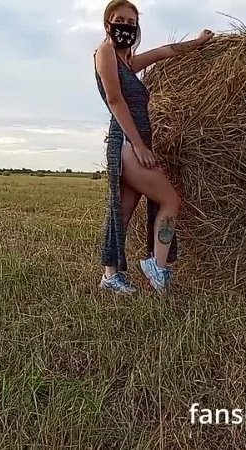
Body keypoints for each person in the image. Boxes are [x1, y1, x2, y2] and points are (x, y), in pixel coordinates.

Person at [94, 0, 214, 294]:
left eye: (132, 23)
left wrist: (198, 43)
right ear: (108, 23)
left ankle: (111, 276)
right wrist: (139, 146)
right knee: (171, 200)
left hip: (132, 142)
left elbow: (165, 52)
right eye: (120, 19)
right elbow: (115, 100)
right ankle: (157, 268)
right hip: (127, 142)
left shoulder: (127, 63)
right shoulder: (105, 53)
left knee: (122, 213)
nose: (126, 26)